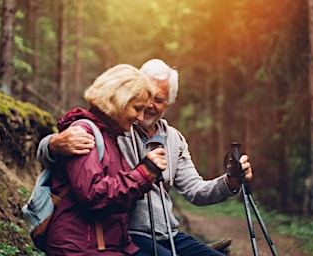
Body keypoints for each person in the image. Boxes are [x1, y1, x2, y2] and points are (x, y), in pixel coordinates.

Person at [38, 59, 253, 256]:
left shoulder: (174, 139)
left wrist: (230, 182)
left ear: (169, 103)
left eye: (158, 100)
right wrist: (52, 144)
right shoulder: (118, 127)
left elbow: (195, 190)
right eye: (144, 98)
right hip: (129, 236)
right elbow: (76, 154)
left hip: (169, 235)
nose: (148, 107)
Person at [45, 64, 168, 255]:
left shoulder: (110, 137)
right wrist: (144, 174)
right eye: (137, 108)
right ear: (119, 100)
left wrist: (145, 175)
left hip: (108, 244)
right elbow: (93, 194)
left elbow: (119, 198)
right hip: (80, 248)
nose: (141, 117)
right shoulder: (84, 134)